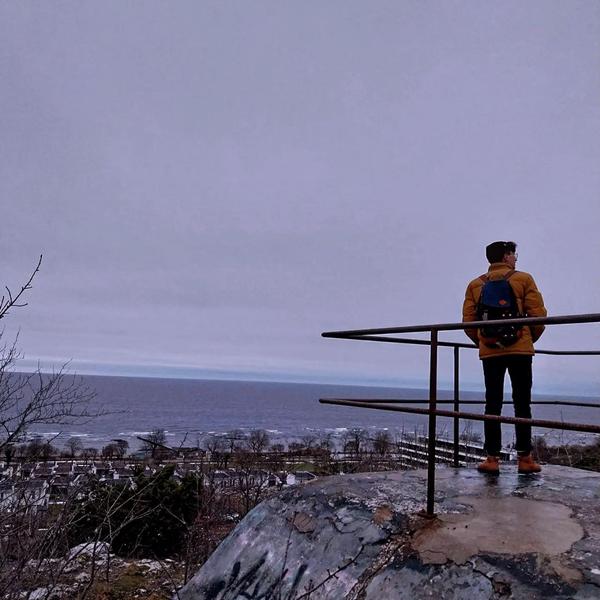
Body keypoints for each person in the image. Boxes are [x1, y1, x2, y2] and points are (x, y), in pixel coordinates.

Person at [462, 241, 547, 474]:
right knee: (522, 402)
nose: (515, 258)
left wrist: (485, 341)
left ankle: (492, 459)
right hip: (520, 351)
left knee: (492, 402)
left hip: (490, 352)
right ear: (505, 256)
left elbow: (468, 322)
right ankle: (525, 459)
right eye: (513, 254)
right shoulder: (524, 279)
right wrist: (526, 338)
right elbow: (538, 316)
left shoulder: (476, 284)